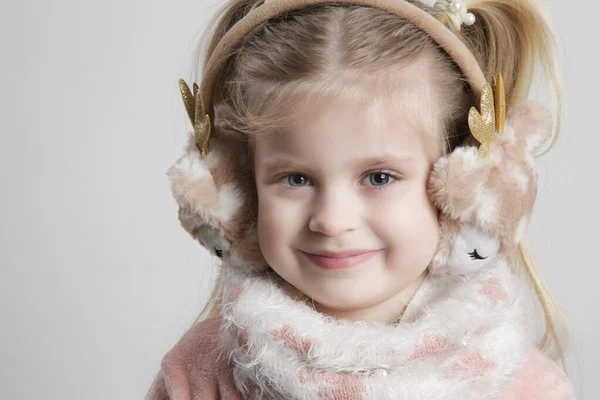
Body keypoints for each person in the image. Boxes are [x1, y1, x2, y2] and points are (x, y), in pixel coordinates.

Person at [147, 0, 576, 398]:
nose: (332, 221)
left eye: (379, 177)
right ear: (238, 196)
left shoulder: (522, 386)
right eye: (296, 178)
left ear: (472, 192)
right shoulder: (198, 374)